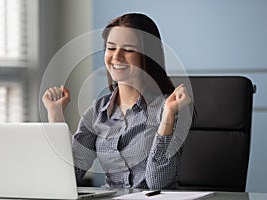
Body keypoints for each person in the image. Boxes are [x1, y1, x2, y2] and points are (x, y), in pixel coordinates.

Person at [42, 13, 193, 189]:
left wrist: (167, 117)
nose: (116, 57)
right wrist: (55, 114)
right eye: (111, 48)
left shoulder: (170, 108)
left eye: (128, 50)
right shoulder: (98, 111)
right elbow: (69, 175)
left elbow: (157, 184)